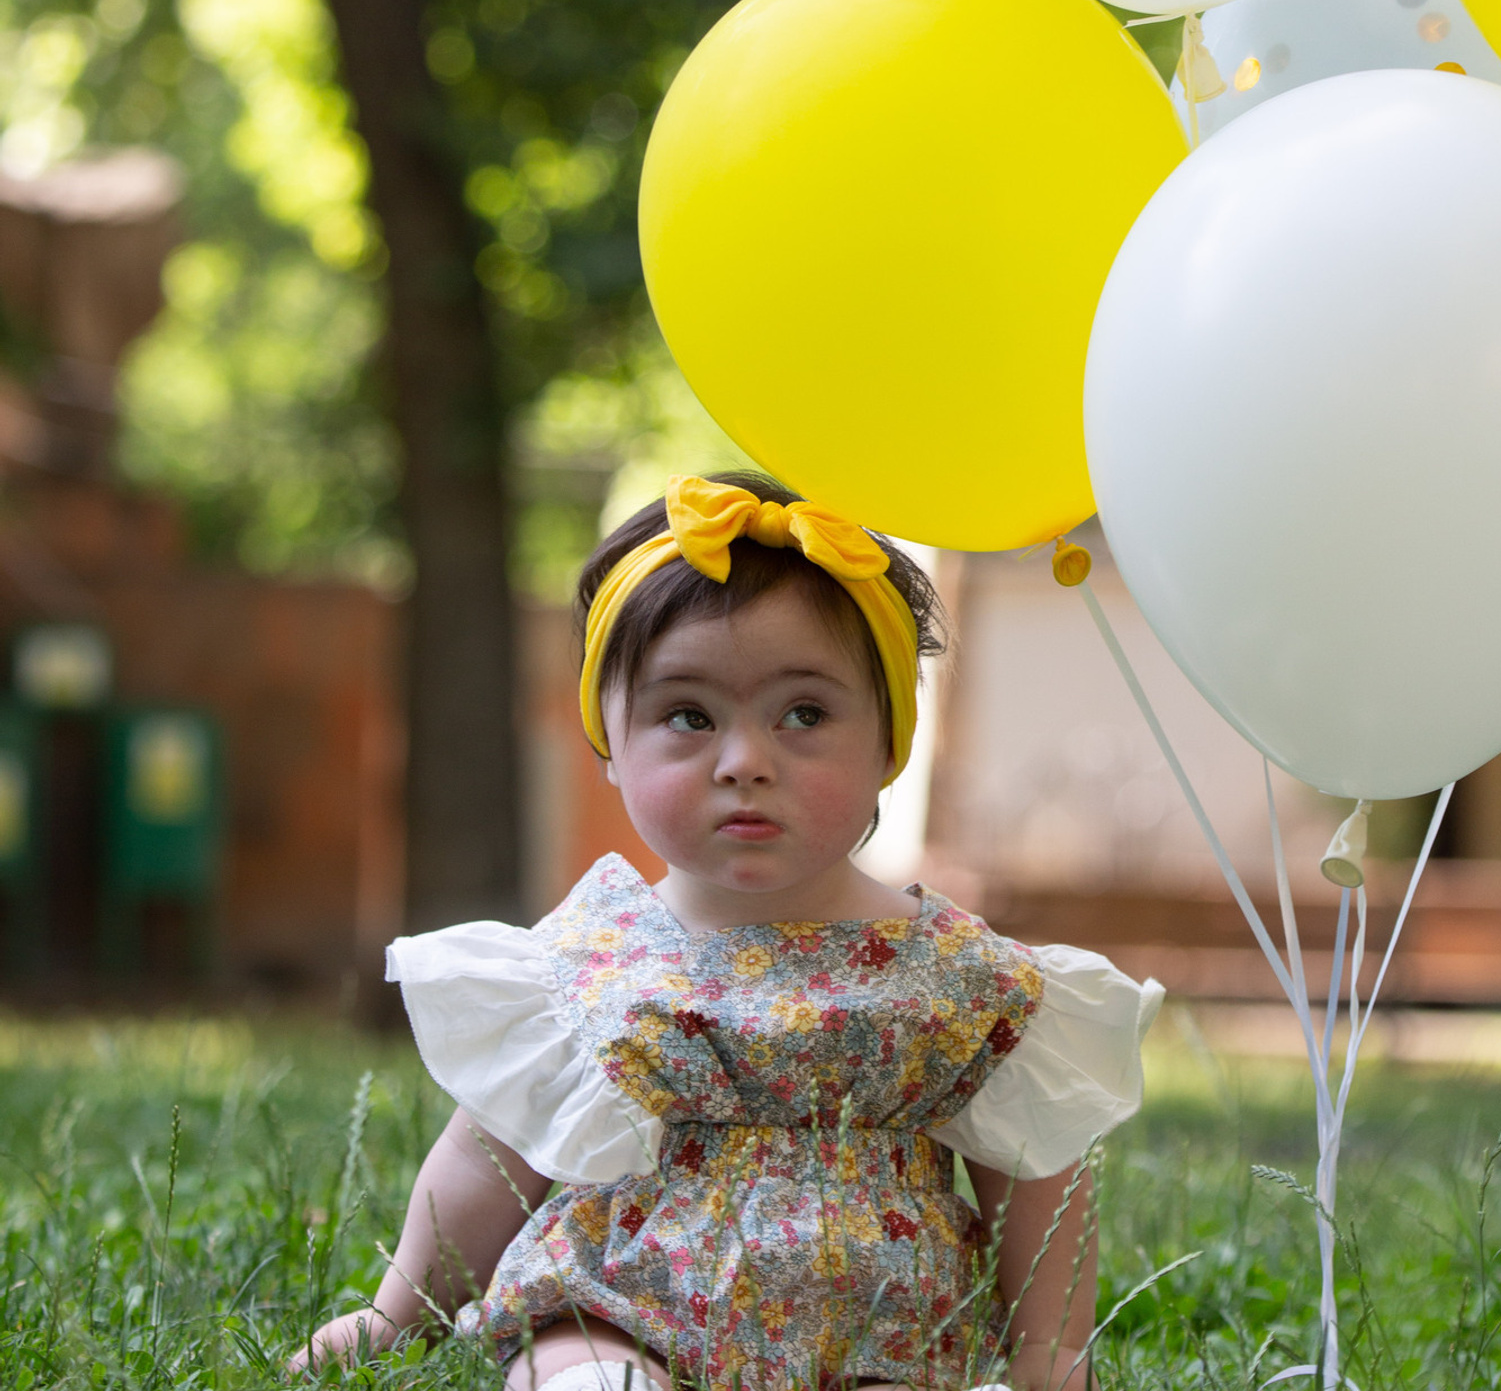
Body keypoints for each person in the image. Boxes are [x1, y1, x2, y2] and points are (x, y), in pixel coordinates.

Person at [293, 473, 1162, 1391]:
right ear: (610, 745)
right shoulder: (590, 959)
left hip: (880, 1337)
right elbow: (487, 1153)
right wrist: (399, 1313)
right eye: (689, 717)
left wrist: (1051, 1352)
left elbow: (1036, 1171)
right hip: (619, 1303)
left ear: (889, 742)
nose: (745, 761)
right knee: (586, 1377)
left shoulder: (954, 975)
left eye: (805, 715)